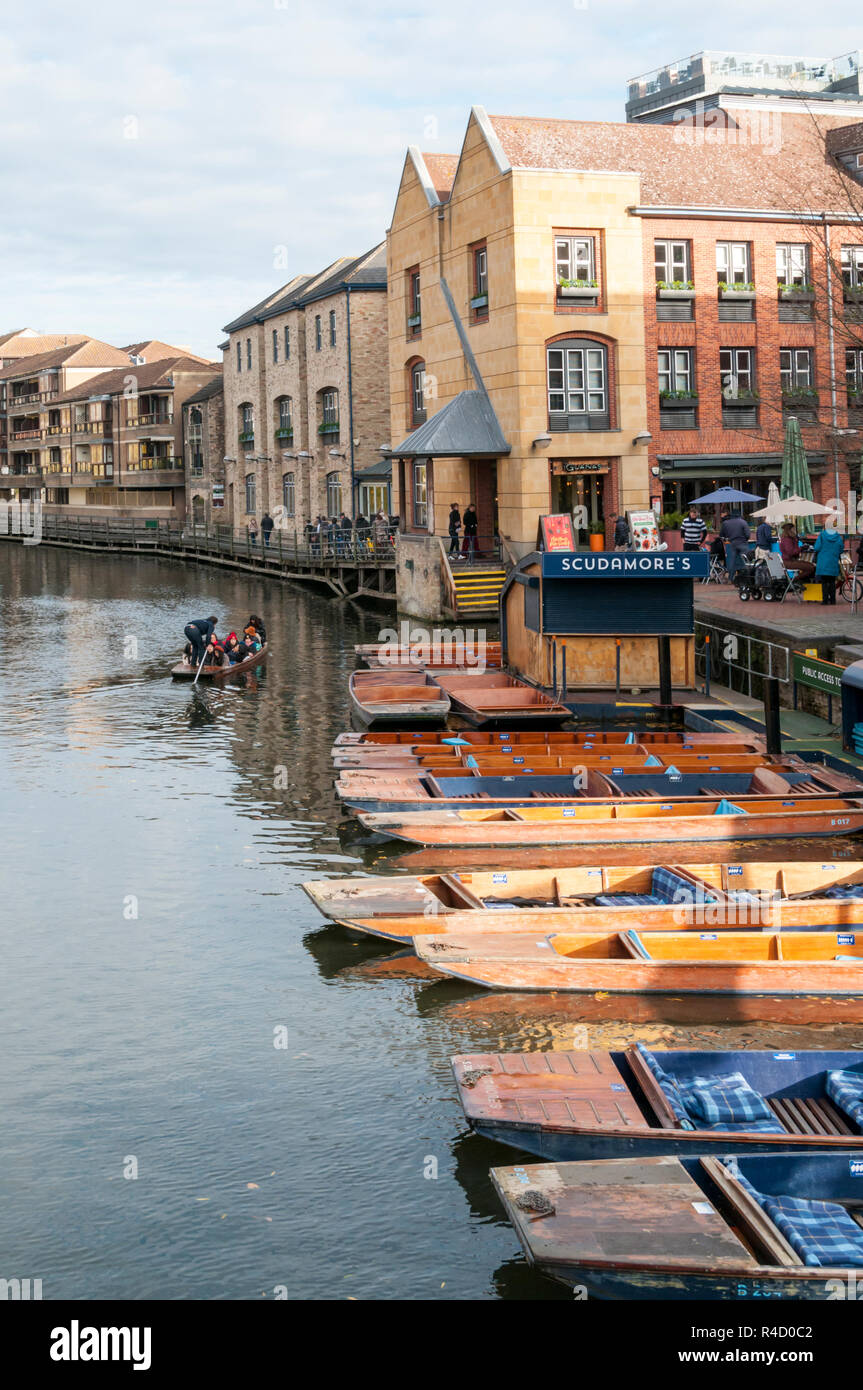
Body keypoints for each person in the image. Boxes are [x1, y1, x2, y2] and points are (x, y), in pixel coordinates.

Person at [813, 522, 845, 605]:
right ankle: (833, 600)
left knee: (824, 582)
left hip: (823, 563)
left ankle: (825, 600)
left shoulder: (822, 535)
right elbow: (841, 549)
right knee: (832, 582)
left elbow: (816, 548)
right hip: (833, 562)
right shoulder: (838, 536)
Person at [719, 511, 751, 580]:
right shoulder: (743, 522)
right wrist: (745, 539)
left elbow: (721, 535)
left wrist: (728, 538)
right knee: (745, 560)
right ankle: (745, 578)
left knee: (732, 561)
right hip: (743, 543)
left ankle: (731, 578)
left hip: (732, 544)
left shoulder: (726, 523)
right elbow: (748, 534)